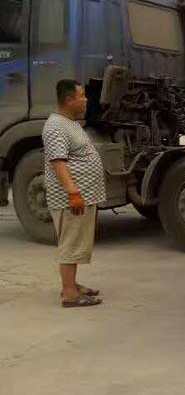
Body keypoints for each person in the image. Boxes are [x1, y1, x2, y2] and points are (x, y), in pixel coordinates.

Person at [42, 79, 106, 307]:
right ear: (69, 100)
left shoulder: (69, 123)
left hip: (82, 196)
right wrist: (73, 192)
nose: (86, 100)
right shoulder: (56, 126)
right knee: (71, 244)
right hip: (71, 199)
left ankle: (71, 284)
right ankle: (70, 294)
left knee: (76, 242)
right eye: (82, 96)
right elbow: (58, 162)